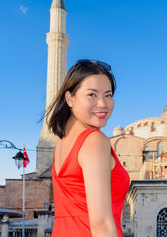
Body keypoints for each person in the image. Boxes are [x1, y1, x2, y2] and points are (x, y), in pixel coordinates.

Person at [46, 59, 130, 237]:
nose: (103, 104)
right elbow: (101, 222)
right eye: (92, 95)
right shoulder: (94, 141)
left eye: (108, 95)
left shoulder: (62, 143)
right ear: (70, 98)